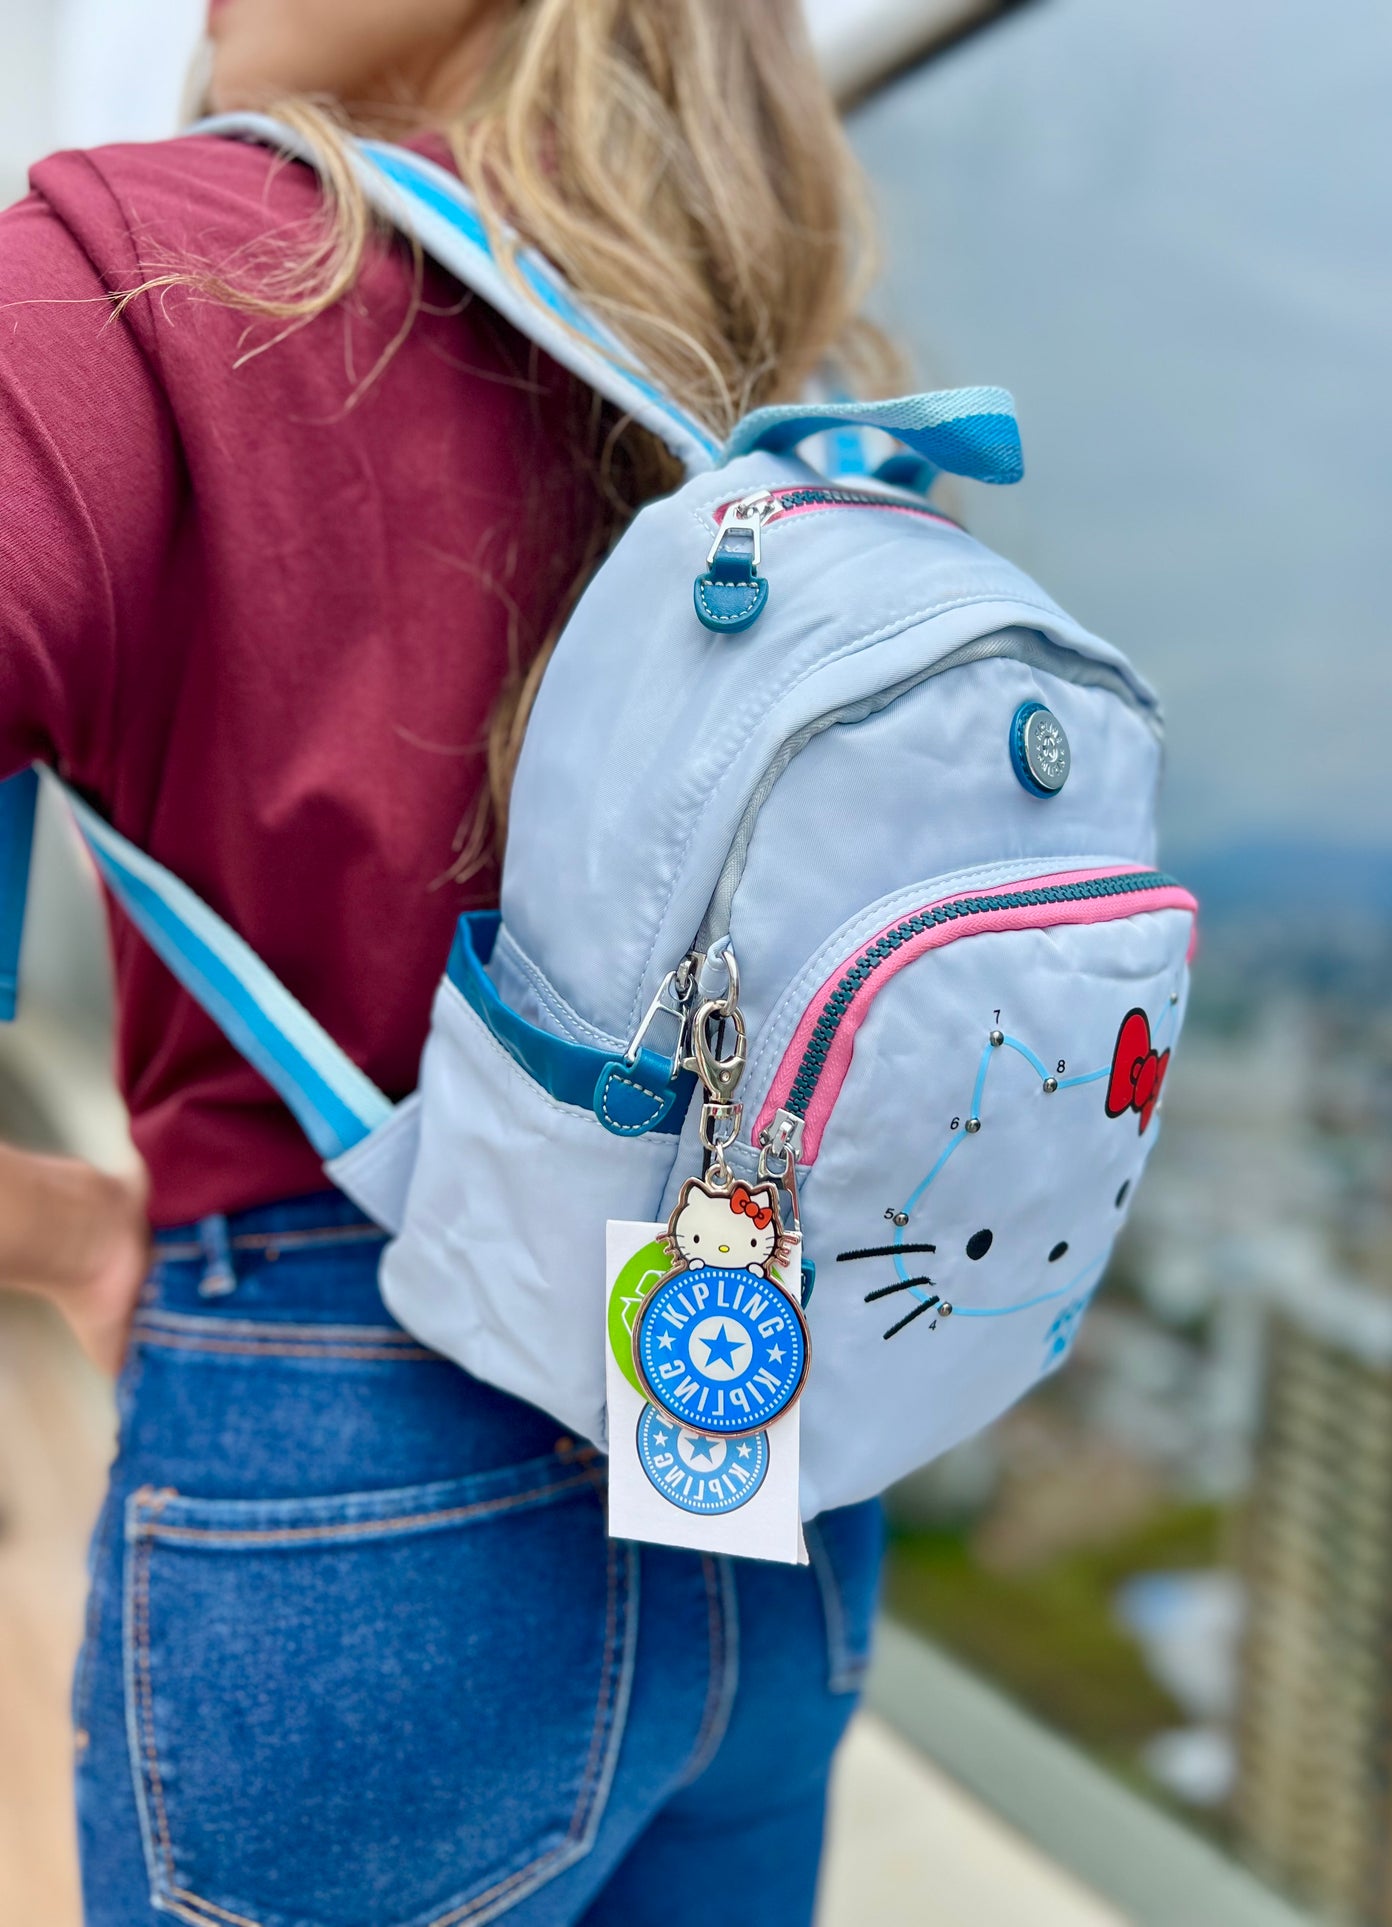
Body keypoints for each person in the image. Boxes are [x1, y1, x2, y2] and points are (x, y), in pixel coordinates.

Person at [0, 3, 887, 1922]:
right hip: (767, 1406)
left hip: (359, 1453)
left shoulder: (137, 282)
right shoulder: (790, 414)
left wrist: (66, 1230)